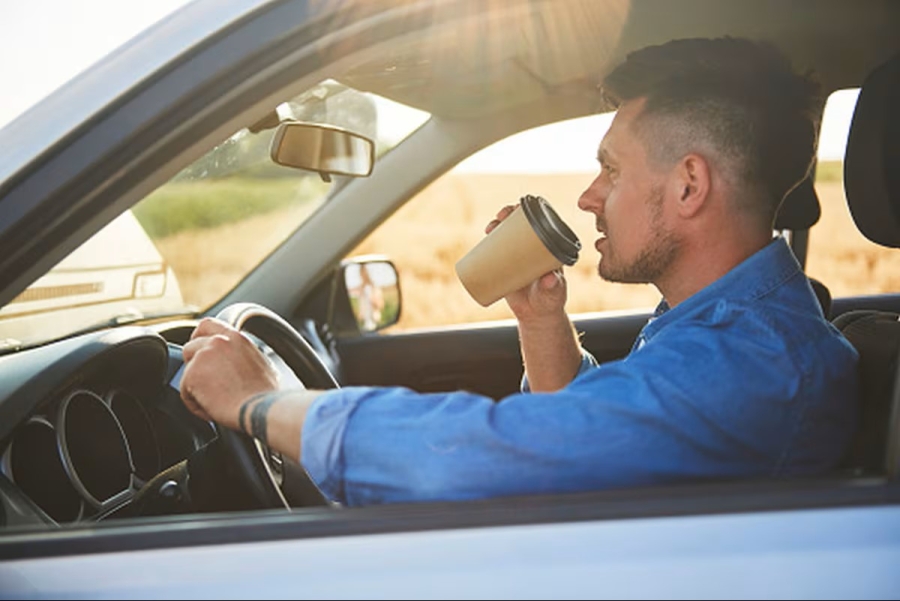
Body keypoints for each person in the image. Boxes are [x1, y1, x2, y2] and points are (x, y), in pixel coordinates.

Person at [179, 38, 860, 506]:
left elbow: (487, 457)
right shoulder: (723, 333)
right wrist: (541, 319)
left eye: (611, 169)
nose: (591, 195)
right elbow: (597, 435)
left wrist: (261, 401)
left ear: (689, 187)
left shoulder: (755, 363)